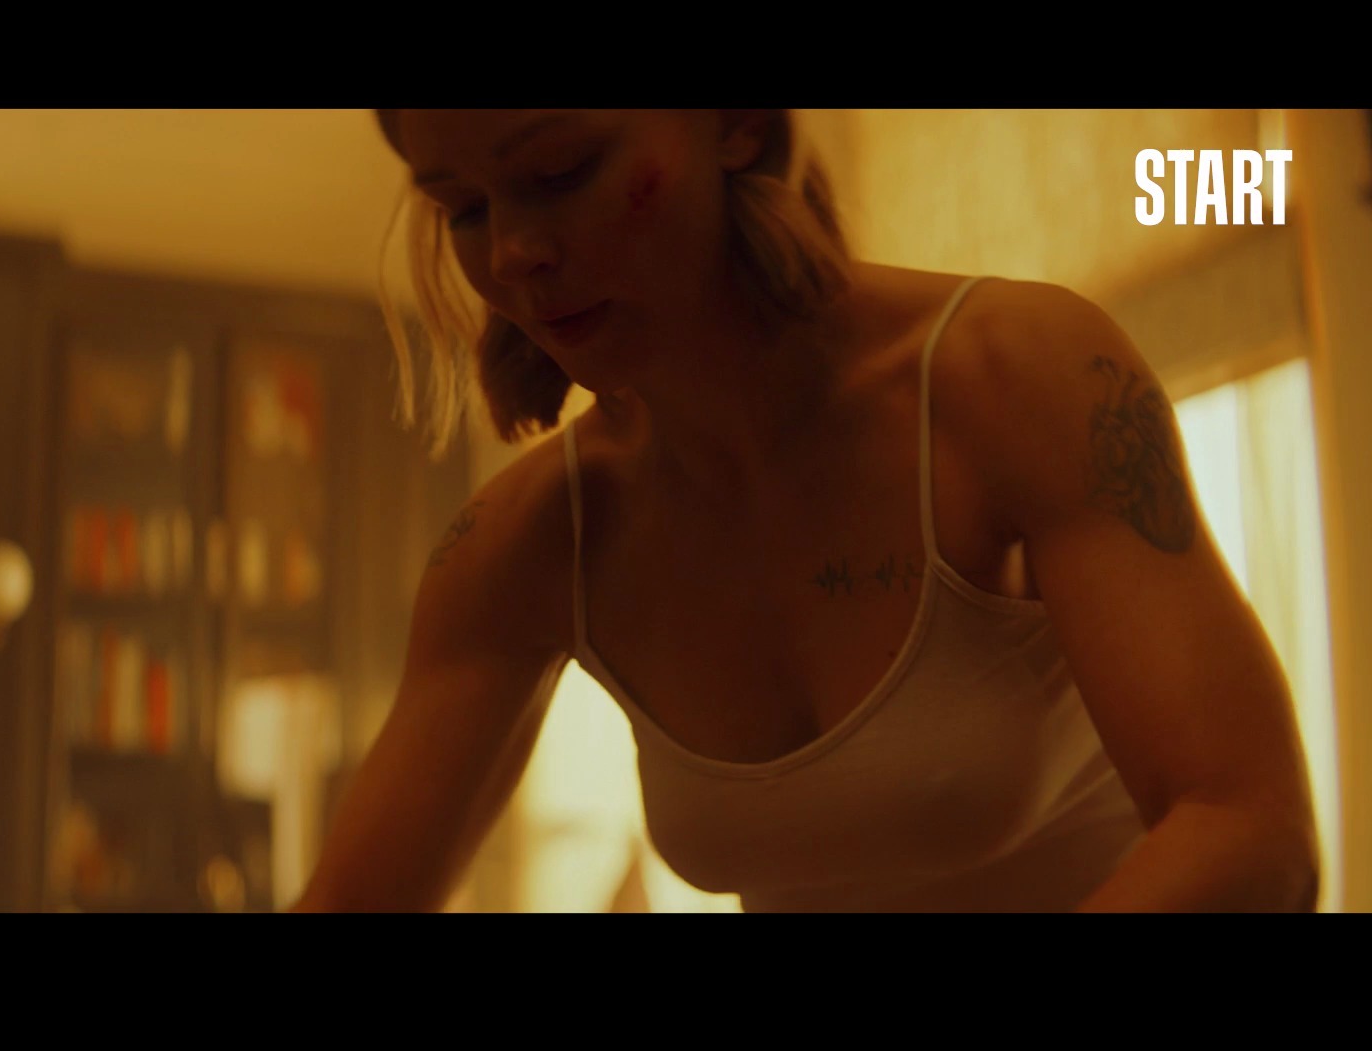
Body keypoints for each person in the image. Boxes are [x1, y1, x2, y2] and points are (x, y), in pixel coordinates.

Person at [290, 109, 1322, 913]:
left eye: (561, 173)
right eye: (463, 209)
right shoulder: (527, 542)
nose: (513, 254)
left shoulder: (1019, 375)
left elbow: (1253, 831)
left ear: (738, 122)